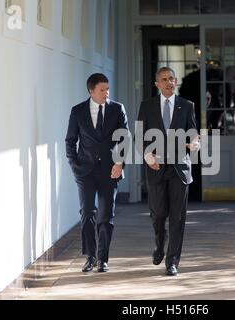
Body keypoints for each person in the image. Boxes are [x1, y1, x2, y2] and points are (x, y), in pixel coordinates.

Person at [136, 67, 199, 276]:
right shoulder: (147, 106)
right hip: (156, 167)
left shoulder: (187, 106)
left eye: (172, 78)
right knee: (158, 214)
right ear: (157, 84)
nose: (169, 82)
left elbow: (193, 133)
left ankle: (172, 261)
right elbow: (140, 136)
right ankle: (159, 245)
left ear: (176, 81)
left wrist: (194, 143)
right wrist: (147, 156)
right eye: (164, 79)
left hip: (180, 168)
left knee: (177, 217)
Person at [65, 73, 130, 273]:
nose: (106, 93)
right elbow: (70, 141)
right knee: (87, 213)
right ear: (91, 91)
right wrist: (75, 165)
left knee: (106, 215)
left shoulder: (117, 109)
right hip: (85, 171)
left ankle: (103, 259)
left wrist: (119, 163)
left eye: (107, 89)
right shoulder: (77, 111)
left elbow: (125, 138)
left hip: (110, 170)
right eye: (102, 90)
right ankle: (90, 257)